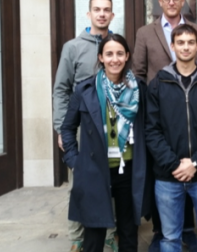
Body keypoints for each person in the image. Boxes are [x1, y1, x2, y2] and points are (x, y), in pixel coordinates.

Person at [133, 0, 197, 251]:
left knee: (190, 166)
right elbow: (138, 73)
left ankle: (187, 229)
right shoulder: (145, 33)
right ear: (160, 2)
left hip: (191, 113)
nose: (172, 2)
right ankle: (161, 230)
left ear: (183, 0)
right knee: (163, 169)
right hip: (158, 113)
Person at [61, 34, 151, 252]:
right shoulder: (85, 90)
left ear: (127, 56)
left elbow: (150, 127)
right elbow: (67, 128)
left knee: (128, 232)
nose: (114, 59)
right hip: (95, 169)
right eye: (109, 54)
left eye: (120, 53)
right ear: (101, 57)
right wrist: (76, 162)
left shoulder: (139, 89)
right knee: (94, 235)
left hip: (128, 170)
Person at [146, 24, 197, 252]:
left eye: (191, 42)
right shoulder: (158, 84)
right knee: (170, 238)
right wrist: (174, 164)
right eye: (180, 42)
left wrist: (195, 162)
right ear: (172, 46)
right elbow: (152, 130)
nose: (186, 47)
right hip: (168, 176)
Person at [52, 0, 118, 252]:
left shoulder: (115, 44)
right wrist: (61, 128)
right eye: (97, 9)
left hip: (111, 127)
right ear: (88, 13)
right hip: (82, 126)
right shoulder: (73, 47)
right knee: (79, 182)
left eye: (106, 10)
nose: (102, 14)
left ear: (112, 15)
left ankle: (109, 234)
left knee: (109, 181)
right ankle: (77, 238)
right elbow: (61, 89)